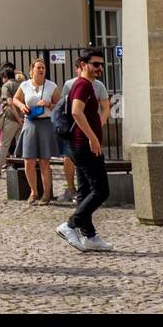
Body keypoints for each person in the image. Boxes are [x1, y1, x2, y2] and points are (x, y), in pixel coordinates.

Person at [57, 50, 113, 252]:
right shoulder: (83, 85)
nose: (99, 68)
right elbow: (75, 112)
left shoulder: (87, 85)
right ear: (83, 64)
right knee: (101, 190)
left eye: (101, 64)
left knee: (85, 190)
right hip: (84, 145)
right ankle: (71, 225)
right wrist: (92, 137)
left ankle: (88, 235)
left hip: (79, 145)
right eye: (95, 64)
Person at [56, 67, 111, 204]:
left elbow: (106, 107)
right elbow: (70, 110)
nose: (99, 68)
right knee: (99, 189)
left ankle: (78, 220)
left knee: (89, 185)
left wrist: (97, 126)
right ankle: (71, 191)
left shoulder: (98, 85)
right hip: (75, 135)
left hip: (90, 135)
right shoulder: (73, 84)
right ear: (79, 68)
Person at [13, 58, 60, 204]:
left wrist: (48, 104)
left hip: (45, 124)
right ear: (31, 70)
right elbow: (15, 99)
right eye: (38, 67)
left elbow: (59, 105)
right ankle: (33, 191)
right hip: (30, 124)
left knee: (45, 161)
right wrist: (21, 106)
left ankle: (46, 194)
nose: (41, 70)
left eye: (43, 68)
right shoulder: (24, 85)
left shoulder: (52, 86)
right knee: (28, 161)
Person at [0, 65, 24, 177]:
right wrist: (21, 118)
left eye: (2, 77)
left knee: (4, 144)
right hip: (22, 118)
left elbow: (10, 103)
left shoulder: (6, 86)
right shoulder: (21, 85)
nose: (2, 79)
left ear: (5, 76)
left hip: (11, 118)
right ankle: (20, 166)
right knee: (20, 144)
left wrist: (17, 118)